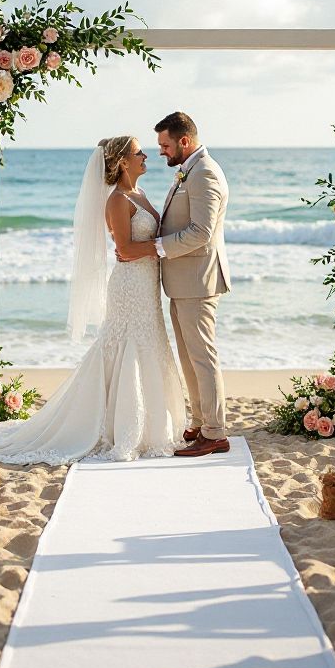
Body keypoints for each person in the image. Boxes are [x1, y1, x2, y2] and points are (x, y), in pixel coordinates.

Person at [0, 135, 185, 465]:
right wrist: (167, 246)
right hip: (128, 286)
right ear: (123, 161)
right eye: (139, 152)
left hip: (146, 285)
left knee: (147, 345)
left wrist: (163, 246)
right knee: (126, 348)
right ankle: (117, 427)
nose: (146, 157)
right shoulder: (117, 200)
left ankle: (150, 428)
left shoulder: (140, 194)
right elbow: (124, 249)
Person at [118, 112, 231, 457]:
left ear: (184, 141)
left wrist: (155, 248)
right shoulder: (190, 171)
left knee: (202, 357)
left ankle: (215, 432)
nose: (162, 152)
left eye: (165, 145)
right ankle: (200, 422)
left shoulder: (205, 173)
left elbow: (201, 232)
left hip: (198, 280)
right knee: (189, 357)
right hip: (183, 281)